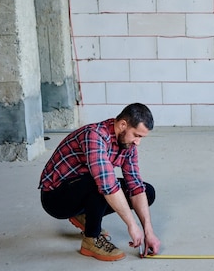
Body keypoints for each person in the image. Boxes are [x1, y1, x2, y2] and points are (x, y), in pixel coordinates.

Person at [39, 103, 161, 261]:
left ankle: (83, 215)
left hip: (81, 187)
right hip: (56, 197)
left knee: (147, 191)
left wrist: (148, 231)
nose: (138, 142)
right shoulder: (95, 135)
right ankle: (91, 239)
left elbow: (135, 186)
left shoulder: (128, 145)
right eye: (137, 135)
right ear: (123, 124)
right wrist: (132, 225)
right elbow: (107, 185)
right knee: (100, 181)